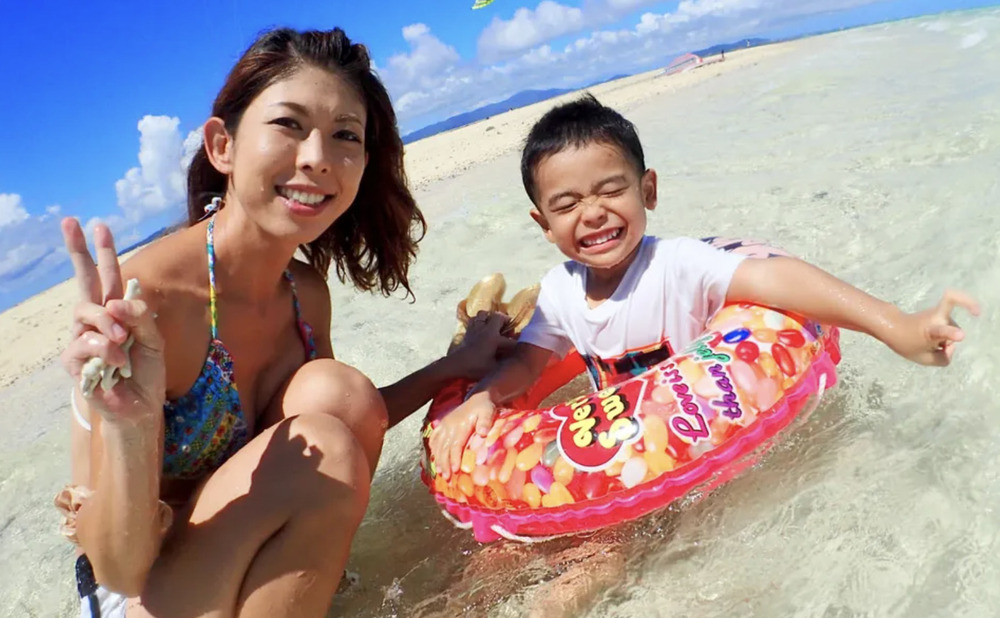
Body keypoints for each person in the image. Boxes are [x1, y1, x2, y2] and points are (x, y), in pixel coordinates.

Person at [55, 27, 510, 617]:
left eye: (345, 135)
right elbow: (118, 566)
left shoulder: (304, 293)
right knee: (323, 442)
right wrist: (132, 426)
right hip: (142, 591)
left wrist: (454, 368)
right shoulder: (146, 305)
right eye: (289, 124)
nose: (317, 157)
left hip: (238, 556)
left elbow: (355, 421)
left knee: (339, 396)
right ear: (222, 146)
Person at [429, 92, 980, 479]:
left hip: (707, 433)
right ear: (544, 225)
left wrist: (894, 324)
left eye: (611, 190)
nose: (592, 213)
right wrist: (485, 396)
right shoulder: (559, 291)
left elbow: (774, 278)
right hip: (627, 452)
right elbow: (530, 365)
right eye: (567, 204)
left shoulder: (678, 264)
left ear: (648, 190)